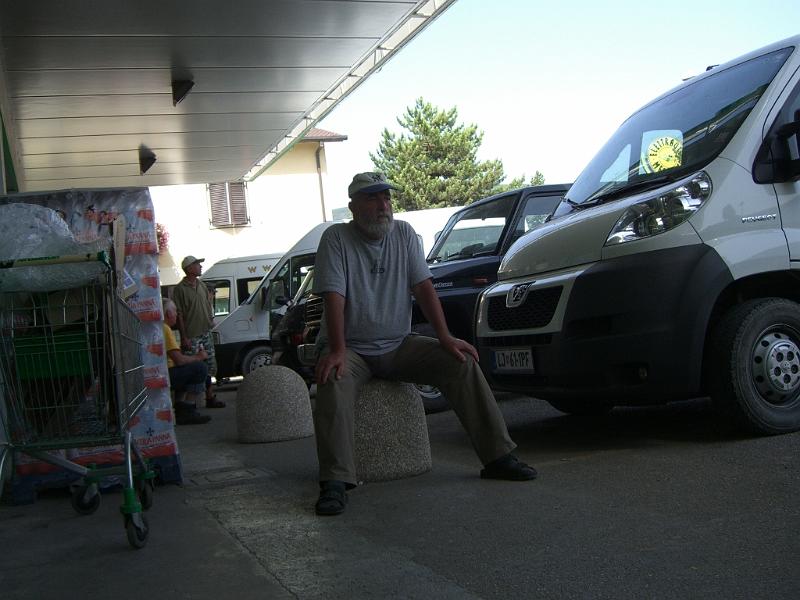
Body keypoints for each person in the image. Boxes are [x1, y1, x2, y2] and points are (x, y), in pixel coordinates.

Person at [311, 172, 537, 516]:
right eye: (372, 199)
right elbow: (334, 296)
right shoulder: (336, 238)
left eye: (386, 198)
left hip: (399, 343)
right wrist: (338, 350)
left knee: (461, 363)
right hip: (353, 349)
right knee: (333, 381)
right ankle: (336, 481)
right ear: (353, 206)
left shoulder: (403, 234)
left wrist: (445, 338)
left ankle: (498, 457)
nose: (383, 206)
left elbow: (424, 287)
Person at [172, 255, 225, 408]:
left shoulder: (201, 285)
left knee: (209, 365)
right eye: (197, 264)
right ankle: (184, 403)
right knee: (191, 368)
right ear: (189, 268)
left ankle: (209, 397)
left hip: (205, 332)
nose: (200, 267)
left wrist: (210, 318)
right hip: (191, 334)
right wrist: (184, 337)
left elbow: (207, 305)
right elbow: (179, 314)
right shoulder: (180, 289)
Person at [162, 298, 211, 425]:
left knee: (189, 367)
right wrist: (199, 357)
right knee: (200, 368)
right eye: (175, 311)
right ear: (168, 314)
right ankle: (188, 410)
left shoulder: (162, 328)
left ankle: (180, 407)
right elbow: (179, 360)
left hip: (165, 372)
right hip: (166, 374)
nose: (177, 315)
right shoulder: (165, 329)